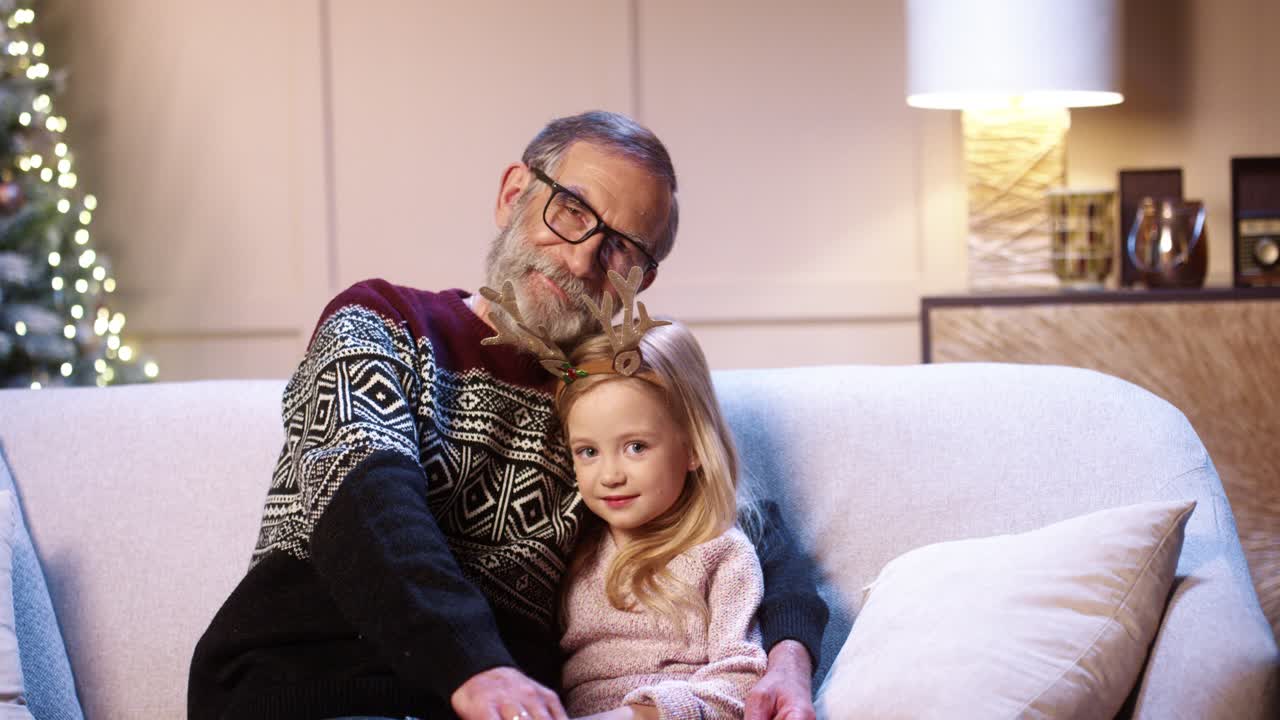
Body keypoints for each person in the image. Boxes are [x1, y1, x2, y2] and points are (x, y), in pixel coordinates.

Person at [188, 111, 827, 720]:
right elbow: (368, 503)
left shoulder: (606, 400)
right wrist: (475, 668)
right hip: (311, 683)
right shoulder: (378, 321)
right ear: (513, 192)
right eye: (572, 210)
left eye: (621, 250)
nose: (580, 259)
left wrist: (788, 661)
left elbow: (747, 526)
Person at [544, 297, 766, 720]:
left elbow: (741, 682)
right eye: (588, 451)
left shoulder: (722, 554)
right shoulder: (571, 550)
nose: (610, 474)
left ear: (694, 448)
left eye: (636, 447)